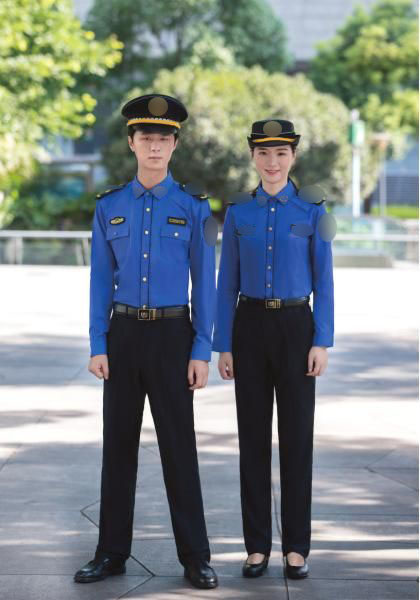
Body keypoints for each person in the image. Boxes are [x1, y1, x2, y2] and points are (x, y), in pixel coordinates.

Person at [74, 94, 218, 590]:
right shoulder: (110, 207)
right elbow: (99, 280)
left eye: (163, 138)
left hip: (174, 337)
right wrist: (98, 343)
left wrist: (201, 350)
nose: (155, 146)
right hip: (124, 335)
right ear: (132, 143)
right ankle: (110, 553)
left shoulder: (195, 208)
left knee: (180, 448)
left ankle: (196, 557)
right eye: (146, 138)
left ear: (175, 145)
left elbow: (206, 284)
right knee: (118, 447)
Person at [212, 119, 334, 580]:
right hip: (249, 327)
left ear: (293, 157)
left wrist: (321, 339)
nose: (272, 162)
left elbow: (324, 279)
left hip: (297, 328)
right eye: (263, 153)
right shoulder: (238, 212)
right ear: (252, 157)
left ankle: (297, 547)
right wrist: (223, 344)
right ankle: (257, 547)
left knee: (298, 440)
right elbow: (226, 283)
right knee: (252, 440)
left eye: (281, 153)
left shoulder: (313, 210)